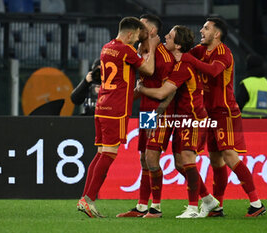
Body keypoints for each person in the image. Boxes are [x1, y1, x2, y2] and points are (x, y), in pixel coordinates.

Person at [181, 17, 266, 217]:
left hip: (225, 112)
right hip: (209, 113)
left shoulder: (224, 53)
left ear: (217, 34)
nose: (201, 30)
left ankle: (256, 203)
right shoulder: (201, 51)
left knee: (229, 155)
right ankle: (217, 206)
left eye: (206, 28)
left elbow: (212, 71)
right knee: (216, 161)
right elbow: (183, 58)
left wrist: (188, 59)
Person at [76, 16, 159, 218]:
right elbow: (149, 70)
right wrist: (153, 48)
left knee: (106, 153)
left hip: (103, 106)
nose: (139, 40)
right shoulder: (128, 50)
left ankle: (142, 205)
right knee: (127, 155)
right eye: (137, 36)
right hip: (123, 109)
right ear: (130, 34)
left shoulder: (107, 47)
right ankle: (89, 199)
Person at [137, 25, 219, 218]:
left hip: (181, 116)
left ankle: (163, 208)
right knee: (160, 161)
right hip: (157, 113)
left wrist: (141, 91)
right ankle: (207, 200)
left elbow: (164, 92)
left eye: (170, 36)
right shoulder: (151, 51)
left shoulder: (177, 62)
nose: (166, 36)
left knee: (159, 158)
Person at [116, 14, 179, 219]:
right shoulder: (139, 51)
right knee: (144, 158)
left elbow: (171, 90)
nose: (136, 27)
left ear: (151, 31)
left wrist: (159, 113)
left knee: (152, 157)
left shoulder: (163, 55)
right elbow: (140, 87)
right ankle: (142, 206)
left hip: (160, 111)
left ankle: (157, 208)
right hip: (146, 111)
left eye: (141, 25)